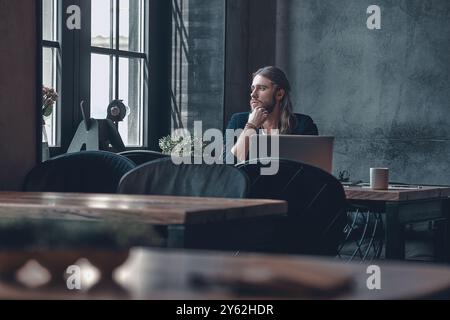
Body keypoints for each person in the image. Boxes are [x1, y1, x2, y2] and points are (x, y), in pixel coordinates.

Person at [224, 66, 318, 162]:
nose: (253, 94)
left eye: (262, 88)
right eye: (253, 89)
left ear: (279, 94)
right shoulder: (238, 121)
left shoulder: (303, 125)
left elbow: (312, 170)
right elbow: (226, 167)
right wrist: (251, 127)